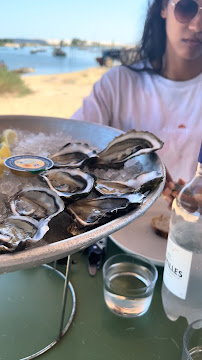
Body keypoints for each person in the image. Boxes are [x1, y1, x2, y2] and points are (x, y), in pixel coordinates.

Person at [71, 0, 202, 204]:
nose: (197, 25)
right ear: (163, 7)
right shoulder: (117, 83)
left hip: (189, 231)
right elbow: (71, 149)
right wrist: (129, 167)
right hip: (115, 226)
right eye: (186, 8)